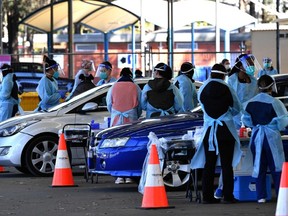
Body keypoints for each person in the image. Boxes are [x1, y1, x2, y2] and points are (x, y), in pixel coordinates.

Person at [191, 63, 242, 204]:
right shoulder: (228, 88)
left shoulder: (202, 88)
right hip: (226, 130)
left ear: (211, 73)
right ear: (224, 75)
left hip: (210, 131)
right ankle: (228, 196)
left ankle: (207, 197)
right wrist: (227, 114)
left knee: (209, 164)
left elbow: (201, 105)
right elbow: (237, 107)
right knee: (227, 165)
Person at [242, 74, 288, 203]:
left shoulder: (250, 102)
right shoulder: (275, 102)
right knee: (277, 167)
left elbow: (246, 120)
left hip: (257, 136)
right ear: (271, 86)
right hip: (272, 137)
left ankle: (260, 196)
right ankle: (281, 196)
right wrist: (275, 127)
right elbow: (283, 120)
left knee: (259, 166)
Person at [106, 67, 142, 184]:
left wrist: (115, 112)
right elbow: (140, 105)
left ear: (120, 75)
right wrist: (136, 114)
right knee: (130, 147)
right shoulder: (135, 87)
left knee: (116, 147)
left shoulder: (113, 86)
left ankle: (119, 176)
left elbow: (109, 104)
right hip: (131, 119)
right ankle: (130, 175)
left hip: (116, 121)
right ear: (130, 76)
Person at [227, 53, 260, 129]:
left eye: (252, 64)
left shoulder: (254, 81)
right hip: (237, 119)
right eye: (249, 64)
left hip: (253, 118)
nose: (252, 66)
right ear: (240, 66)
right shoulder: (232, 81)